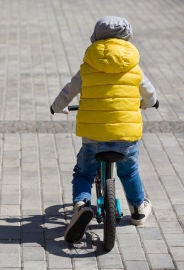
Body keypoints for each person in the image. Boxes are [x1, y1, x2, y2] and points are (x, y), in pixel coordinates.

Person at [50, 16, 159, 244]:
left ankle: (81, 205)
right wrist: (149, 103)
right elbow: (149, 93)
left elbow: (68, 91)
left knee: (84, 173)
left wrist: (57, 107)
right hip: (125, 137)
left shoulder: (88, 66)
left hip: (94, 137)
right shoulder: (133, 66)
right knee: (128, 172)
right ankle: (138, 209)